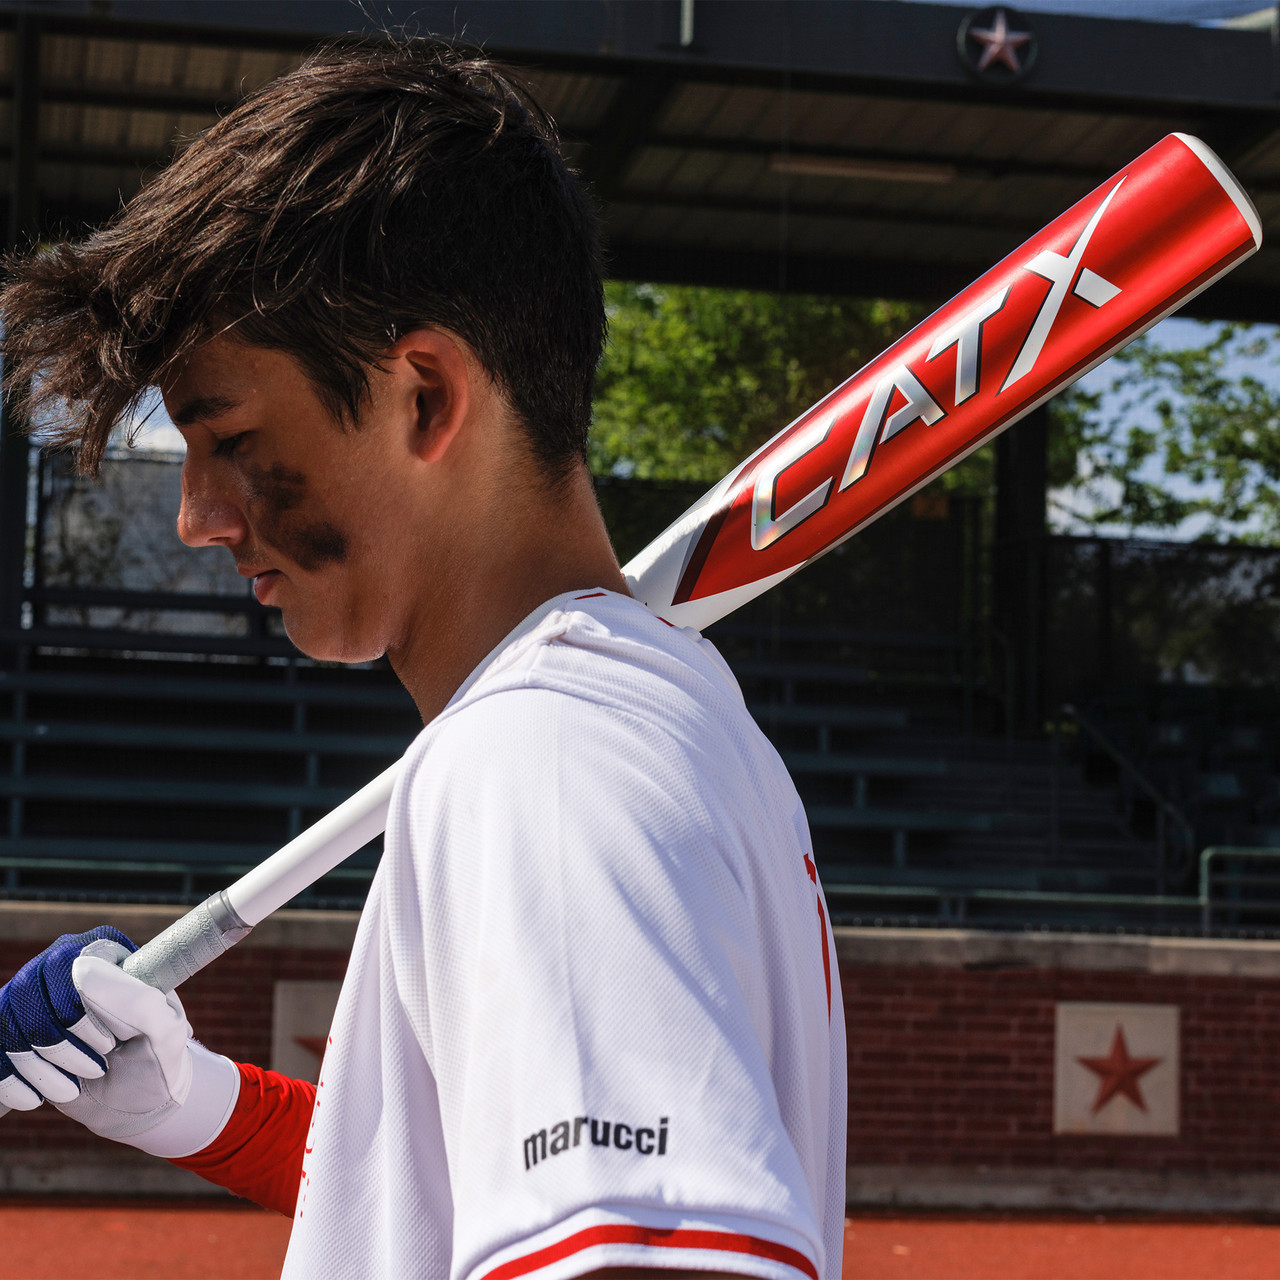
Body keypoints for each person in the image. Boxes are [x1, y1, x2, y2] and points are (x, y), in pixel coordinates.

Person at [0, 39, 845, 1280]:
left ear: (424, 399)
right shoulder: (636, 714)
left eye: (229, 437)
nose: (196, 516)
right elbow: (462, 1190)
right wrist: (200, 1106)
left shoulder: (538, 758)